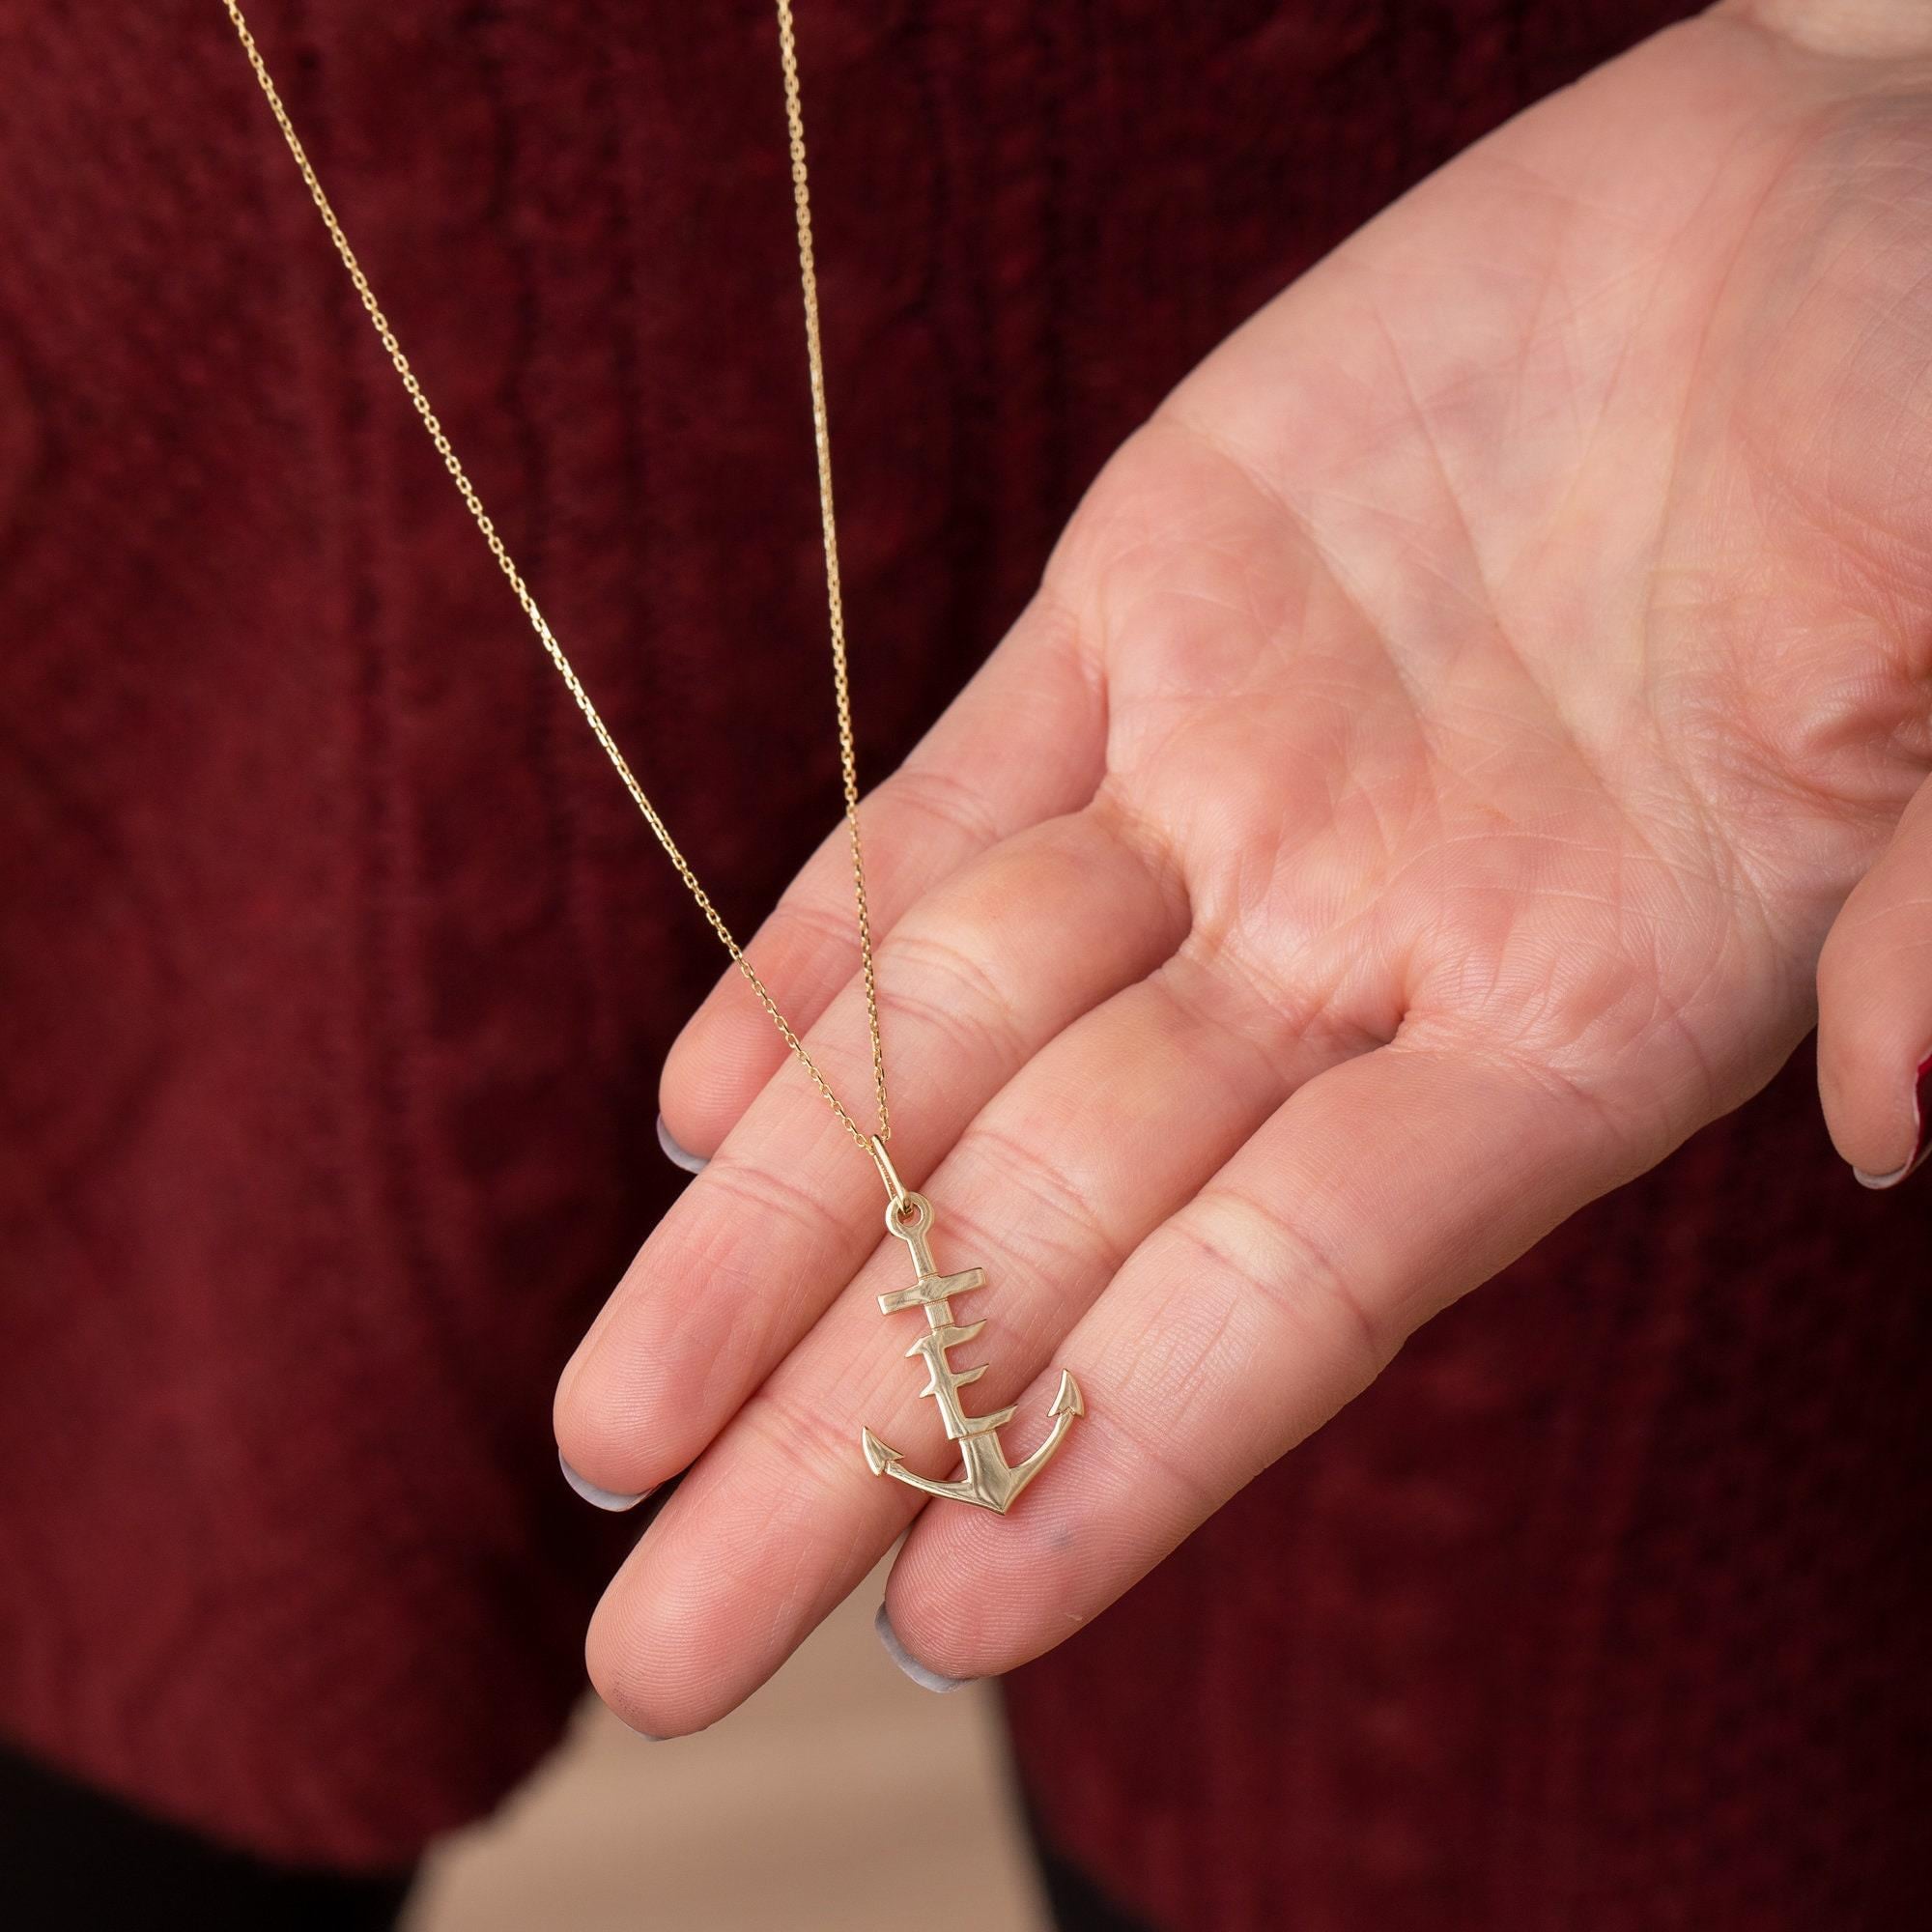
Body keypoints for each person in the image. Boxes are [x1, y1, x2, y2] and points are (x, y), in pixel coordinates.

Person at [1, 1, 1924, 1926]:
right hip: (216, 418)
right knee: (129, 1638)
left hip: (1569, 441)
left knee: (1410, 1766)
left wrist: (1871, 65)